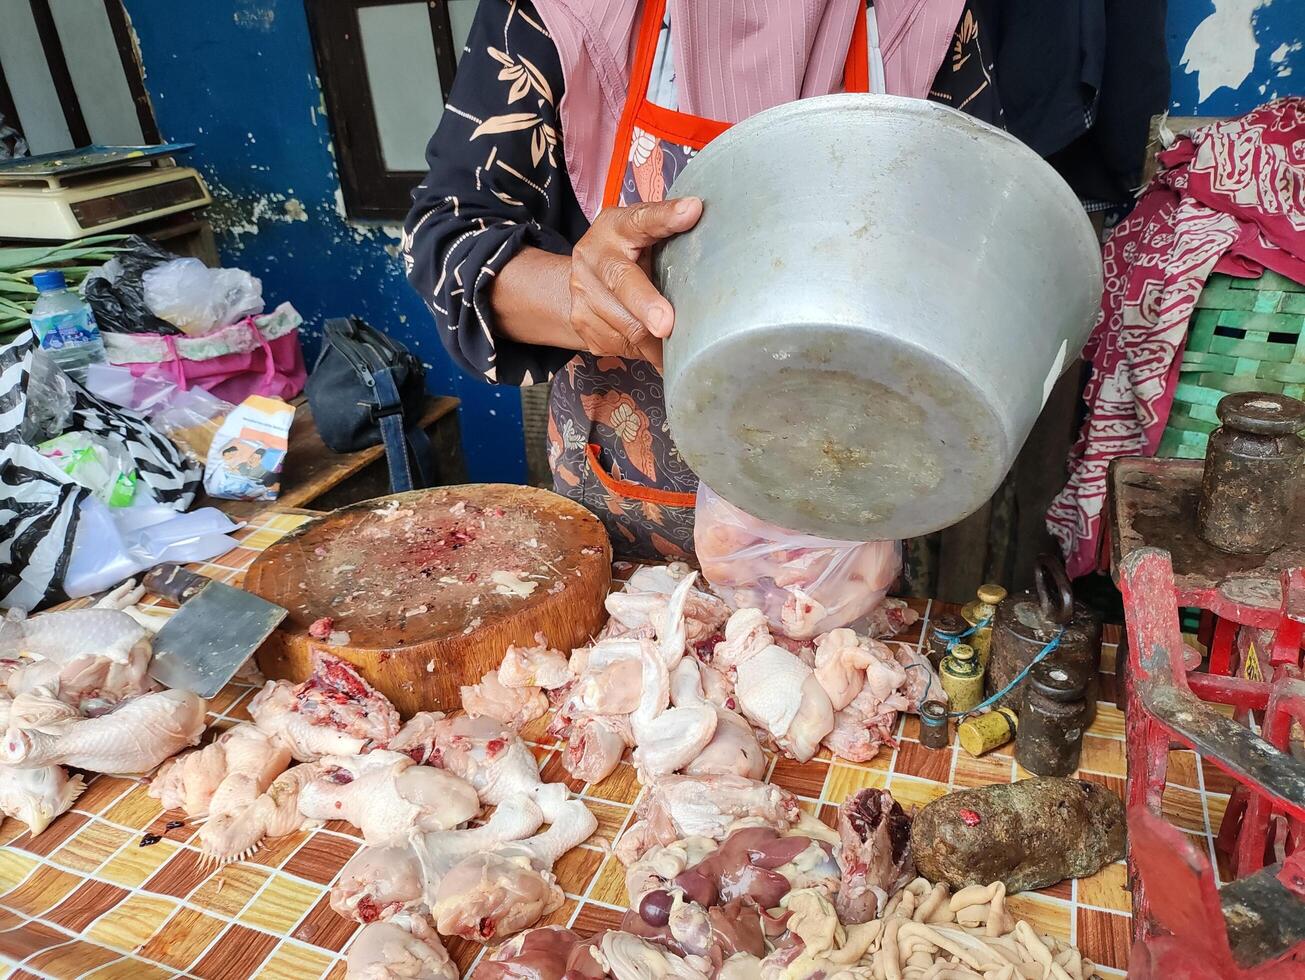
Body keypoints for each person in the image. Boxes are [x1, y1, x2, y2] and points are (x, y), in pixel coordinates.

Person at [405, 0, 1002, 560]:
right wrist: (580, 296)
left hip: (847, 521)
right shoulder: (561, 12)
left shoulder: (922, 18)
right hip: (624, 521)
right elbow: (444, 237)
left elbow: (988, 251)